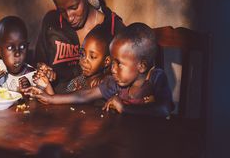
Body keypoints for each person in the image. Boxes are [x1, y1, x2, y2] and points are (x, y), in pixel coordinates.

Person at [27, 23, 174, 117]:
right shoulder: (115, 82)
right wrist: (50, 98)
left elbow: (164, 109)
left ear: (141, 66)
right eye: (112, 62)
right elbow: (84, 95)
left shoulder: (155, 78)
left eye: (119, 64)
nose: (113, 70)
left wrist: (125, 108)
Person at [35, 0, 125, 93]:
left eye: (74, 7)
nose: (69, 17)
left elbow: (127, 76)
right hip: (54, 107)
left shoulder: (112, 27)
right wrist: (43, 70)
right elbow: (39, 62)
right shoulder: (51, 23)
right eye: (62, 10)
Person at [35, 25, 112, 95]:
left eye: (92, 56)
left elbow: (80, 100)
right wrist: (46, 85)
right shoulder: (79, 80)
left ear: (106, 61)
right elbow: (64, 102)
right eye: (82, 54)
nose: (84, 60)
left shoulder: (104, 83)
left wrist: (49, 90)